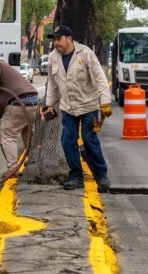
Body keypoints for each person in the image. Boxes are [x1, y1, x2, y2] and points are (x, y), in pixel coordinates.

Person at [44, 25, 113, 191]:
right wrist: (48, 105)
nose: (56, 43)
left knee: (89, 140)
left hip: (88, 105)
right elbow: (53, 84)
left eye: (59, 39)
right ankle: (76, 176)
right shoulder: (53, 57)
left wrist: (104, 102)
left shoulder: (85, 53)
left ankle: (101, 174)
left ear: (69, 38)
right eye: (54, 40)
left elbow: (100, 79)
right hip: (68, 107)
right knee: (67, 140)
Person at [0, 58, 39, 177]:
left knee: (9, 136)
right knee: (28, 135)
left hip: (18, 102)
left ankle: (13, 170)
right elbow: (2, 107)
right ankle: (34, 166)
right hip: (33, 103)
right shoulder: (6, 79)